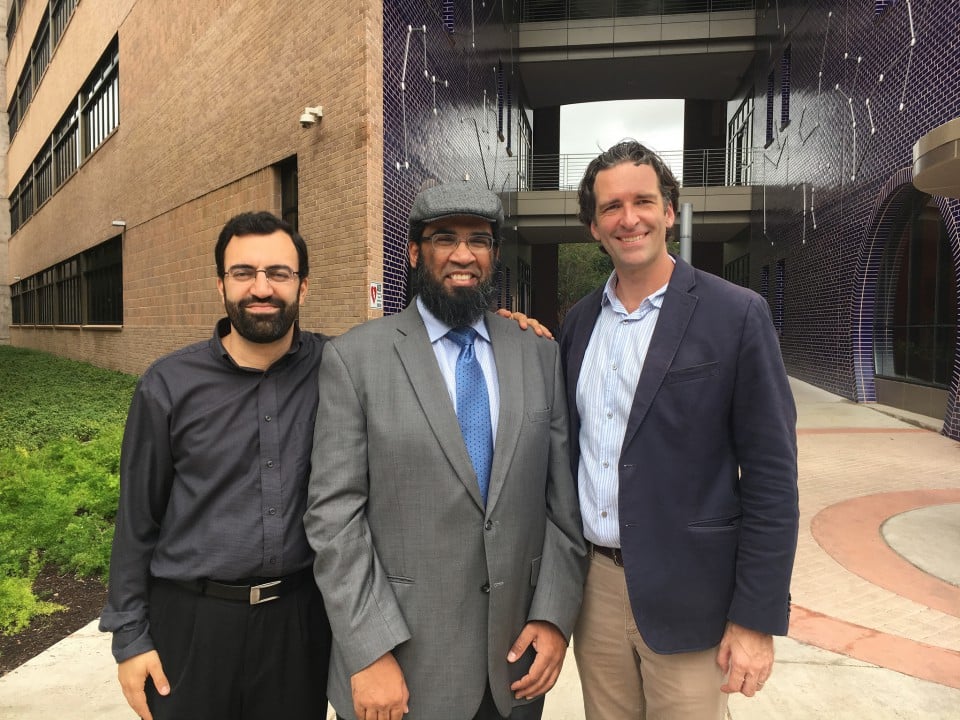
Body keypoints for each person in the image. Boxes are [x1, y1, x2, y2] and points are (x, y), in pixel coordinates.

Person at [304, 182, 588, 720]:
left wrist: (554, 617)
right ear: (414, 252)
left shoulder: (538, 356)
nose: (463, 255)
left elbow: (562, 508)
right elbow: (333, 518)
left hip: (514, 667)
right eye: (444, 239)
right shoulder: (354, 359)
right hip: (400, 672)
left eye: (479, 240)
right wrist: (369, 648)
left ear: (494, 254)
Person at [559, 140, 799, 720]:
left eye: (643, 201)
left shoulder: (736, 314)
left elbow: (771, 477)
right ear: (593, 226)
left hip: (695, 598)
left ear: (670, 210)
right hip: (596, 590)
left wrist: (754, 618)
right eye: (611, 207)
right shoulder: (577, 324)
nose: (629, 218)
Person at [99, 211, 332, 720]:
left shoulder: (339, 368)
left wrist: (512, 329)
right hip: (191, 625)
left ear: (304, 286)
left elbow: (417, 362)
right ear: (221, 284)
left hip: (299, 623)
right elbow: (137, 520)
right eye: (243, 273)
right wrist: (131, 638)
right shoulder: (168, 385)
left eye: (279, 273)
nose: (261, 288)